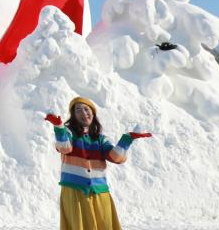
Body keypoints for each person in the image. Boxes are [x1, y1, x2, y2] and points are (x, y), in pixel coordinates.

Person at [44, 97, 152, 230]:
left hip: (100, 193)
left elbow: (115, 157)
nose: (83, 112)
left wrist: (128, 139)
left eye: (86, 109)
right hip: (75, 192)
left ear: (93, 113)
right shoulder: (68, 133)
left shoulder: (100, 139)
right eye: (78, 110)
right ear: (73, 116)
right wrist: (59, 127)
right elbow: (64, 147)